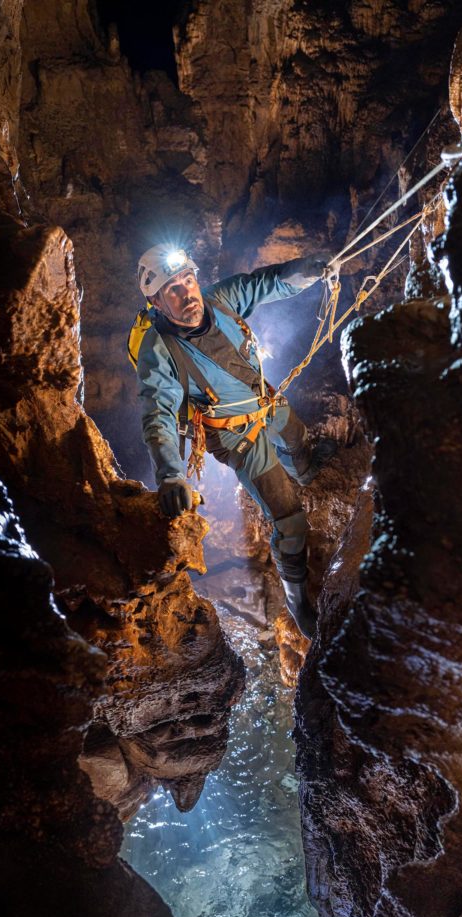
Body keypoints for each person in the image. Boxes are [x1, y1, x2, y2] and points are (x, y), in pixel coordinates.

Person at [131, 245, 337, 639]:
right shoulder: (158, 351)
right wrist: (172, 476)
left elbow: (263, 284)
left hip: (264, 399)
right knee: (291, 521)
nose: (185, 293)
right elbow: (157, 413)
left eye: (187, 280)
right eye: (171, 290)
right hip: (235, 435)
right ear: (156, 302)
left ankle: (307, 470)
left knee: (296, 437)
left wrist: (304, 270)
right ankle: (297, 604)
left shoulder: (218, 301)